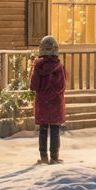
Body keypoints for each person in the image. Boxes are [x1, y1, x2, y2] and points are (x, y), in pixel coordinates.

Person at [30, 35, 67, 165]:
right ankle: (55, 157)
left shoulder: (38, 66)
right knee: (55, 130)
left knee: (43, 130)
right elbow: (62, 85)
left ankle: (44, 156)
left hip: (42, 102)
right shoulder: (59, 67)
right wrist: (55, 93)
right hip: (56, 103)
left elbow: (33, 86)